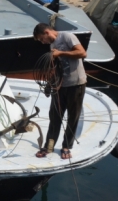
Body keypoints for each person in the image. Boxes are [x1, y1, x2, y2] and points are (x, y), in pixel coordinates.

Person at [33, 23, 87, 160]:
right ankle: (49, 146)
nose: (42, 42)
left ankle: (66, 146)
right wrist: (49, 84)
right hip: (60, 85)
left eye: (41, 39)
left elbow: (82, 53)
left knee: (72, 117)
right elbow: (57, 67)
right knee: (55, 116)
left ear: (46, 32)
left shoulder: (67, 36)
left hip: (76, 84)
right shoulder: (52, 46)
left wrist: (61, 53)